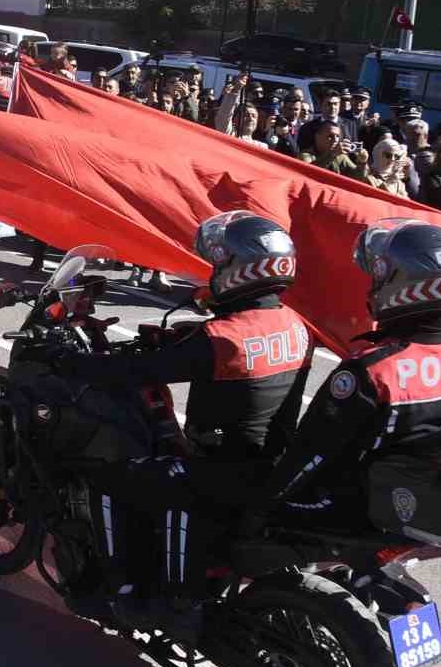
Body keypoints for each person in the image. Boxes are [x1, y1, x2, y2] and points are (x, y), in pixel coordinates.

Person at [41, 212, 311, 628]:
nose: (215, 271)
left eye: (221, 264)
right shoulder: (295, 325)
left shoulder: (223, 337)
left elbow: (137, 372)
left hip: (219, 469)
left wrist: (72, 361)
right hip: (272, 463)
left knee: (109, 481)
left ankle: (126, 594)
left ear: (242, 271)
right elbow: (219, 357)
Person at [261, 220, 441, 523]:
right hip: (409, 504)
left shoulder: (372, 369)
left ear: (408, 288)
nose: (375, 287)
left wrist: (263, 505)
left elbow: (311, 451)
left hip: (344, 505)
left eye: (381, 279)